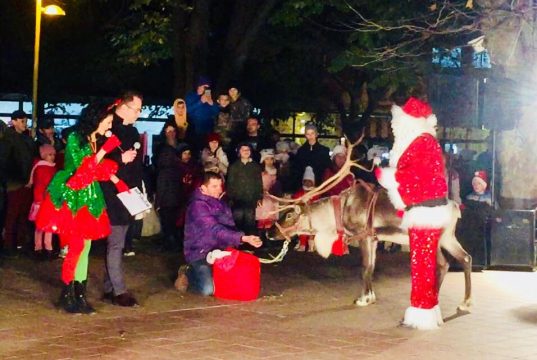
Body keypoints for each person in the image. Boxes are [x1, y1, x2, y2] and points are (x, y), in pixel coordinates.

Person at [36, 102, 128, 314]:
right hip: (74, 199)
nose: (109, 125)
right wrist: (105, 150)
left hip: (89, 198)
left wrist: (118, 181)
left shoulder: (95, 140)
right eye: (108, 121)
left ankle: (79, 295)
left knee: (84, 247)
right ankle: (68, 295)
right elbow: (81, 172)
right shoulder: (76, 139)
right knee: (76, 247)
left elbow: (96, 170)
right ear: (97, 120)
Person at [376, 96, 451, 330]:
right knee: (423, 262)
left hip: (425, 211)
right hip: (425, 209)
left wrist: (389, 177)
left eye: (397, 124)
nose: (394, 128)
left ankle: (422, 313)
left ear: (408, 122)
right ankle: (426, 308)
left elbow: (415, 175)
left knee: (422, 263)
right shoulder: (424, 141)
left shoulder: (421, 142)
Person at [178, 171, 262, 295]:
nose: (219, 189)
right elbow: (214, 230)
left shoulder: (221, 203)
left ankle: (211, 273)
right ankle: (188, 272)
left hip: (221, 250)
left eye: (220, 185)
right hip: (200, 253)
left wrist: (240, 241)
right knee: (208, 290)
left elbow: (229, 227)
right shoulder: (197, 206)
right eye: (214, 186)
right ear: (203, 188)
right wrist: (243, 238)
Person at [100, 91, 143, 307]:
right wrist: (119, 158)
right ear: (124, 107)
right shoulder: (106, 126)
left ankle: (110, 287)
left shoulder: (132, 131)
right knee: (116, 241)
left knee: (118, 240)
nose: (138, 114)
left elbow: (136, 166)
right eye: (136, 109)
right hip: (110, 192)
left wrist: (138, 190)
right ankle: (119, 290)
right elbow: (96, 159)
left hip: (127, 192)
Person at [0, 110, 35, 257]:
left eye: (25, 121)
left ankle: (17, 244)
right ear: (13, 121)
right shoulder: (9, 139)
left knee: (20, 215)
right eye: (22, 121)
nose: (24, 124)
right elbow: (5, 161)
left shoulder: (22, 138)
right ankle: (10, 245)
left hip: (22, 181)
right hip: (14, 182)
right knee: (13, 215)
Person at [155, 121, 183, 251]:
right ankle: (170, 243)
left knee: (170, 221)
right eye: (168, 131)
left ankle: (171, 243)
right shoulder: (165, 152)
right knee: (169, 221)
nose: (171, 134)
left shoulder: (178, 149)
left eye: (173, 131)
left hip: (173, 195)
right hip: (170, 194)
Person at [27, 144, 58, 260]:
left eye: (53, 154)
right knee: (46, 226)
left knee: (40, 226)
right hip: (45, 201)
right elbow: (46, 185)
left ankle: (39, 247)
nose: (53, 157)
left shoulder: (40, 167)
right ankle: (46, 247)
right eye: (50, 154)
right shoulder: (46, 168)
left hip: (41, 201)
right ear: (44, 155)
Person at [227, 143, 263, 235]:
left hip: (251, 199)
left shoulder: (255, 166)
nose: (246, 152)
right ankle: (237, 243)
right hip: (237, 199)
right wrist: (230, 198)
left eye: (248, 150)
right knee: (237, 220)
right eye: (243, 150)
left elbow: (258, 182)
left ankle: (249, 244)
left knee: (250, 221)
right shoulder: (234, 166)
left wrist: (259, 196)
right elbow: (230, 183)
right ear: (239, 152)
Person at [293, 122, 331, 191]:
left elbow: (327, 168)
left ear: (316, 134)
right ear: (305, 135)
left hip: (319, 185)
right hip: (303, 186)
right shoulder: (301, 151)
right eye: (308, 134)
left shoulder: (324, 151)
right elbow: (297, 169)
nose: (310, 136)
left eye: (312, 133)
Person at [185, 76, 220, 147]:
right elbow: (187, 110)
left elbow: (217, 112)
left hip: (208, 130)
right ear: (199, 86)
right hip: (193, 129)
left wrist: (211, 103)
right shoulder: (190, 96)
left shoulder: (211, 97)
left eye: (208, 87)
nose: (206, 89)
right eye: (205, 87)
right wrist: (200, 102)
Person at [292, 166, 318, 252]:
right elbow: (295, 201)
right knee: (302, 228)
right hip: (303, 215)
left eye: (310, 181)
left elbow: (317, 202)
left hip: (313, 215)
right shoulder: (299, 193)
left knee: (313, 229)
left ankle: (311, 245)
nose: (308, 184)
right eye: (306, 181)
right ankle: (302, 244)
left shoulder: (316, 193)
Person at [255, 149, 281, 231]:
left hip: (273, 197)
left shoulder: (276, 171)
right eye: (267, 159)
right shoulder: (260, 172)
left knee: (272, 220)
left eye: (271, 159)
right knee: (263, 219)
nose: (269, 161)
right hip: (262, 197)